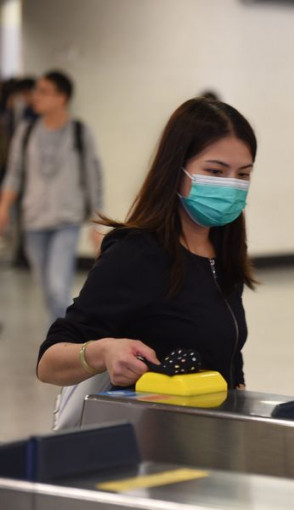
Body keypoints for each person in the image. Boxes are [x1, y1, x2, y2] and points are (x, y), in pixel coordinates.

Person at [36, 97, 257, 391]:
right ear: (176, 170)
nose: (231, 185)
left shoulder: (223, 249)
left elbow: (227, 352)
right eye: (215, 171)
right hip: (154, 430)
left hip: (211, 428)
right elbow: (48, 362)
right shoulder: (137, 253)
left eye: (243, 174)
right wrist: (104, 351)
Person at [0, 70, 103, 321]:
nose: (36, 96)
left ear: (62, 97)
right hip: (33, 221)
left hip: (65, 221)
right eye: (37, 90)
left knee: (58, 287)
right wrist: (4, 207)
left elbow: (93, 178)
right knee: (47, 290)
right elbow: (14, 173)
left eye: (44, 91)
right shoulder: (26, 131)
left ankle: (61, 341)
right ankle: (61, 335)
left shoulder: (79, 131)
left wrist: (97, 223)